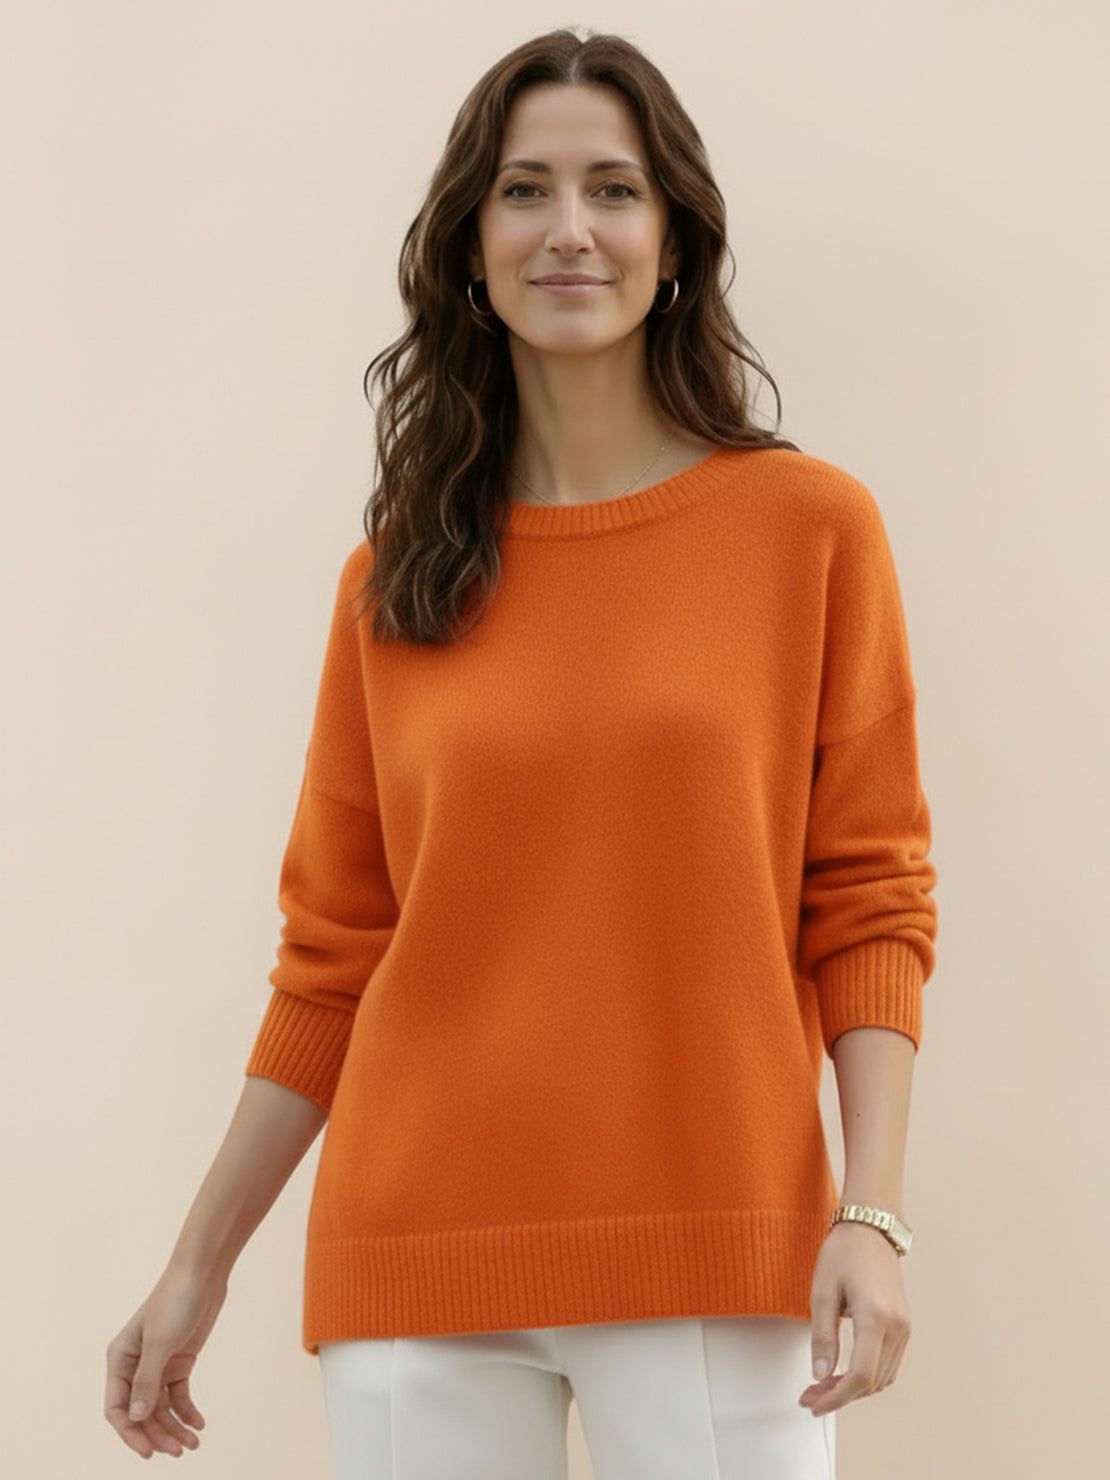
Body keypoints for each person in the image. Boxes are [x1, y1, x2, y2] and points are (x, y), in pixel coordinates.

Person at [104, 26, 938, 1478]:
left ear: (672, 242)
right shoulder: (394, 582)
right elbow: (332, 956)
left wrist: (869, 1213)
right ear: (469, 245)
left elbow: (868, 898)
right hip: (412, 1252)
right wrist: (198, 1266)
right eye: (523, 190)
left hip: (710, 1235)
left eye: (613, 189)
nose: (569, 230)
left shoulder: (807, 531)